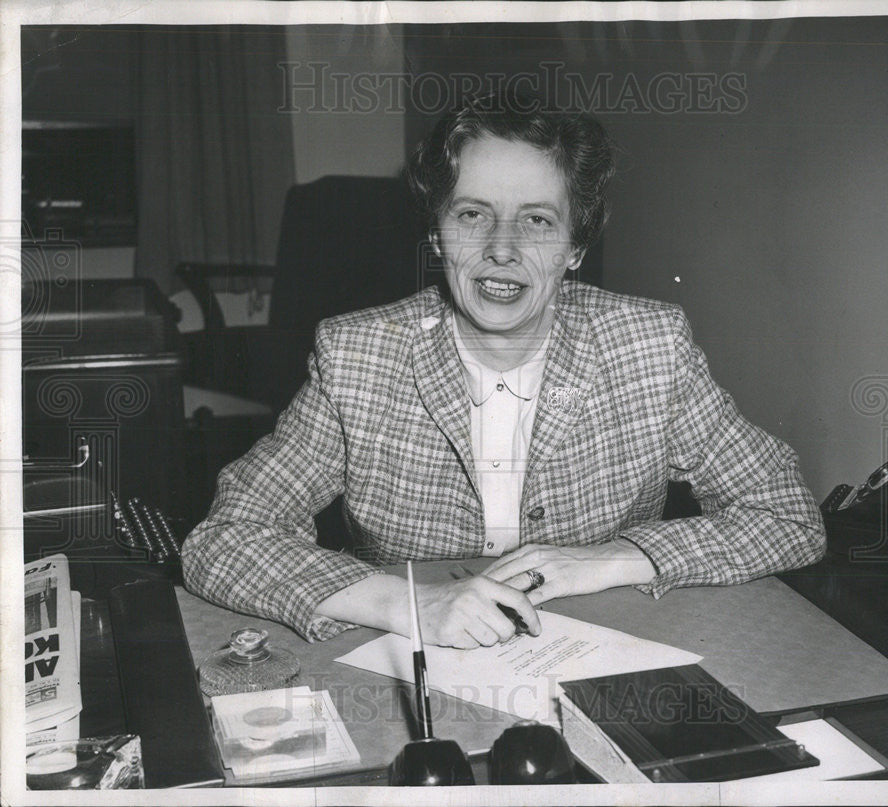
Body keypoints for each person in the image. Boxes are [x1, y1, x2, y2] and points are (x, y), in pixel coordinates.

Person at [182, 93, 825, 650]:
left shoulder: (650, 347)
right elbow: (224, 540)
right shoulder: (359, 356)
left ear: (575, 248)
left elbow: (789, 517)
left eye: (538, 221)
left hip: (601, 657)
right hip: (406, 661)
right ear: (437, 236)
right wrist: (409, 604)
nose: (501, 249)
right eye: (471, 214)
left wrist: (612, 560)